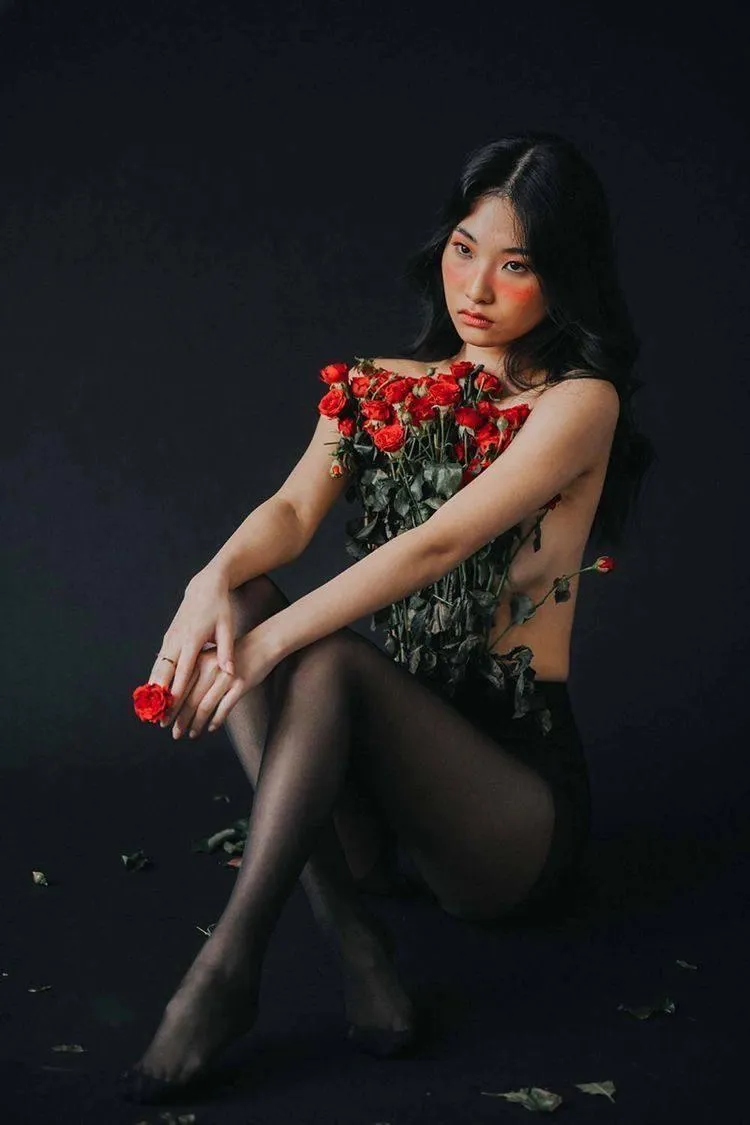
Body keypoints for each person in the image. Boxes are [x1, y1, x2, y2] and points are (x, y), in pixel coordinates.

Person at [119, 131, 655, 1104]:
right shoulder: (378, 386)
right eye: (463, 247)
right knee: (241, 598)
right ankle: (356, 937)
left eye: (517, 263)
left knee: (321, 659)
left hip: (508, 819)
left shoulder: (580, 405)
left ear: (564, 278)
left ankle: (228, 971)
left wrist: (277, 640)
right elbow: (288, 514)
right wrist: (210, 583)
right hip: (372, 815)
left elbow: (438, 545)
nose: (478, 287)